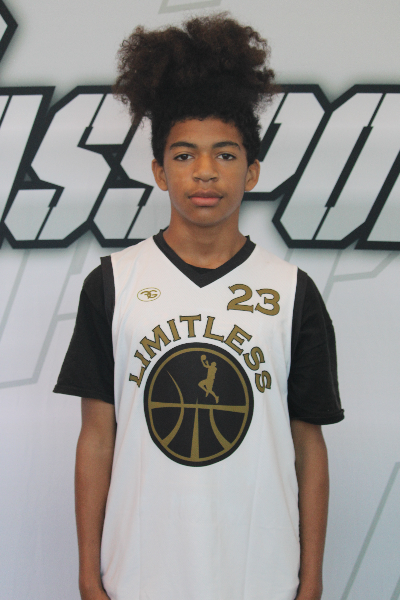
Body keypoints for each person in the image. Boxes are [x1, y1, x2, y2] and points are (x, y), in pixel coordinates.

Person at [54, 13, 344, 600]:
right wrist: (88, 573)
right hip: (138, 575)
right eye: (184, 155)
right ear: (159, 171)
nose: (205, 172)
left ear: (252, 171)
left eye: (225, 155)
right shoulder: (113, 284)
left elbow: (308, 444)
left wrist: (310, 578)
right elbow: (96, 438)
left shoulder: (293, 292)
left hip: (260, 576)